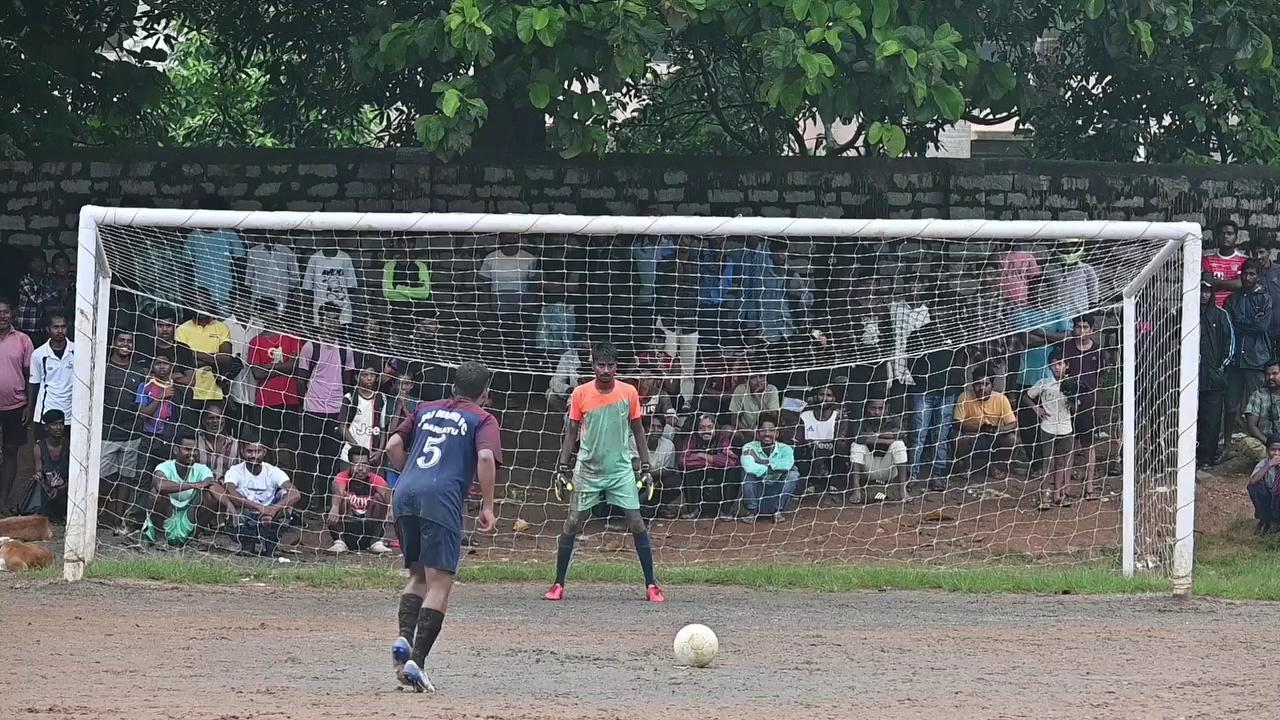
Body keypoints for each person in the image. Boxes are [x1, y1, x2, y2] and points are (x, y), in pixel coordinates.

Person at [384, 361, 501, 693]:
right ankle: (416, 662)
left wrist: (408, 474)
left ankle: (404, 639)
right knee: (441, 583)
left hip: (405, 493)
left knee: (419, 575)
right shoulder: (483, 418)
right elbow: (485, 459)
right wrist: (488, 505)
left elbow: (393, 445)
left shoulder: (424, 408)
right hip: (441, 498)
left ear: (453, 387)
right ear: (485, 394)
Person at [545, 342, 664, 603]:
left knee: (635, 522)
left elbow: (638, 430)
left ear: (616, 367)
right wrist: (563, 466)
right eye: (601, 365)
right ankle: (558, 583)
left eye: (610, 365)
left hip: (620, 469)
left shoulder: (629, 392)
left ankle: (652, 585)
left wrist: (646, 466)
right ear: (593, 366)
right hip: (587, 468)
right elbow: (572, 432)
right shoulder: (580, 394)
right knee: (574, 522)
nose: (606, 370)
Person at [221, 433, 301, 557]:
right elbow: (230, 492)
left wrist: (273, 510)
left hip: (270, 516)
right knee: (232, 498)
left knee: (286, 496)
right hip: (247, 513)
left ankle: (270, 544)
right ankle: (246, 543)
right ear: (242, 451)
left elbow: (295, 493)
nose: (254, 455)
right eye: (250, 451)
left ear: (264, 452)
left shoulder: (273, 471)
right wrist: (259, 508)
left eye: (258, 451)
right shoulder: (235, 471)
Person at [142, 431, 224, 548]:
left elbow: (210, 484)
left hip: (189, 517)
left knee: (211, 495)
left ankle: (193, 537)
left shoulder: (202, 469)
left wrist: (230, 506)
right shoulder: (164, 467)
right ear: (176, 450)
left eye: (195, 450)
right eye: (187, 449)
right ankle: (160, 537)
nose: (192, 453)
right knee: (155, 494)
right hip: (167, 517)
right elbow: (160, 485)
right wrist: (192, 485)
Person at [1224, 260, 1273, 451]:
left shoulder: (1265, 299)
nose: (1247, 277)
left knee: (1258, 407)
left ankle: (1263, 448)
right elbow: (1228, 327)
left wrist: (1240, 323)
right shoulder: (1232, 299)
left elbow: (1261, 326)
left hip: (1256, 359)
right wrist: (1247, 323)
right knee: (1231, 405)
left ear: (1258, 276)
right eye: (1245, 273)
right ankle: (1227, 446)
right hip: (1235, 359)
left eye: (1252, 274)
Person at [1024, 350, 1076, 509]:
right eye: (1054, 364)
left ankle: (1057, 493)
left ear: (1067, 365)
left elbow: (1074, 408)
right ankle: (1044, 494)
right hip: (1048, 426)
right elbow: (1026, 397)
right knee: (1047, 460)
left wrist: (1073, 397)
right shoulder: (1044, 383)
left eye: (1061, 364)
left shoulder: (1072, 384)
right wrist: (1037, 409)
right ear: (1050, 365)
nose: (1057, 367)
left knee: (1061, 461)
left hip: (1065, 427)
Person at [326, 445, 392, 555]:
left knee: (379, 498)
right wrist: (335, 508)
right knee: (340, 499)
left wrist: (391, 510)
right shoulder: (342, 476)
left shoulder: (375, 479)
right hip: (348, 528)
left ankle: (375, 542)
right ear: (350, 465)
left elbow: (386, 494)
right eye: (356, 464)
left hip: (368, 528)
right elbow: (338, 491)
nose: (360, 468)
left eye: (365, 464)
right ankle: (340, 542)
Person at [954, 365, 1018, 478]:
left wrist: (997, 430)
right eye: (978, 384)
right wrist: (980, 428)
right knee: (957, 436)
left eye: (986, 384)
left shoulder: (1001, 398)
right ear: (973, 384)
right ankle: (965, 464)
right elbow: (957, 423)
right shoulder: (964, 397)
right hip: (971, 436)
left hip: (992, 436)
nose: (982, 388)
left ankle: (995, 466)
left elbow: (1013, 423)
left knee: (1011, 439)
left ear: (992, 386)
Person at [1197, 280, 1234, 467]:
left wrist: (1220, 369)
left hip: (1214, 379)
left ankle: (1206, 458)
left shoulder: (1221, 315)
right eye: (1201, 291)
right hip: (1191, 377)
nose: (1204, 295)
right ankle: (1190, 456)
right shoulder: (1184, 313)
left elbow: (1230, 343)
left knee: (1211, 420)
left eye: (1207, 291)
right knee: (1192, 417)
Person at [0, 299, 32, 511]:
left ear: (12, 314)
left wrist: (29, 405)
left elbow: (31, 375)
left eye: (5, 311)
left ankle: (3, 500)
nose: (2, 316)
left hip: (15, 406)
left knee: (11, 451)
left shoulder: (23, 340)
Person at [851, 395, 910, 503]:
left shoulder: (894, 419)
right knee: (856, 446)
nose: (877, 412)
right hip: (868, 467)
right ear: (867, 408)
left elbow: (901, 435)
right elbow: (858, 438)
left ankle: (902, 488)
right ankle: (856, 489)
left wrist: (872, 436)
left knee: (899, 445)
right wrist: (886, 439)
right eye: (873, 408)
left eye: (880, 408)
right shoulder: (862, 419)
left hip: (888, 468)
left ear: (886, 408)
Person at [739, 418, 799, 522]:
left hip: (776, 494)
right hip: (757, 492)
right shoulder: (748, 447)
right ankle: (752, 512)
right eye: (763, 430)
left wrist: (759, 461)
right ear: (757, 433)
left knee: (793, 474)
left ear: (777, 433)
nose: (767, 434)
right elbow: (749, 467)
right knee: (747, 474)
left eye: (771, 430)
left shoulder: (786, 449)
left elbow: (786, 466)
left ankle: (777, 512)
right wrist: (775, 469)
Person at [25, 311, 74, 438]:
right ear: (48, 329)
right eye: (56, 327)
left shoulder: (77, 351)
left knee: (68, 454)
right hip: (46, 411)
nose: (60, 331)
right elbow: (34, 383)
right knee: (44, 452)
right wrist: (30, 408)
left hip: (71, 413)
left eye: (63, 327)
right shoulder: (38, 354)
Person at [1243, 360, 1280, 463]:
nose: (1270, 378)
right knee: (1247, 443)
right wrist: (1269, 444)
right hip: (1267, 445)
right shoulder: (1258, 395)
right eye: (1267, 374)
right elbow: (1252, 427)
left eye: (1274, 374)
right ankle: (1272, 461)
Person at [1203, 220, 1246, 307]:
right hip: (1213, 310)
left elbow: (1241, 284)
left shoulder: (1244, 260)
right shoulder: (1207, 259)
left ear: (1236, 237)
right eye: (1222, 234)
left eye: (1229, 234)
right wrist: (1233, 283)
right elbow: (1208, 282)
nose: (1225, 236)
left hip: (1236, 311)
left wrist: (1216, 283)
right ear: (1217, 237)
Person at [1246, 436, 1280, 536]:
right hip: (1269, 499)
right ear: (1267, 450)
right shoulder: (1264, 463)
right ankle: (1266, 519)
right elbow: (1252, 481)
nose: (1277, 453)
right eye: (1273, 450)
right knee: (1255, 487)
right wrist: (1269, 465)